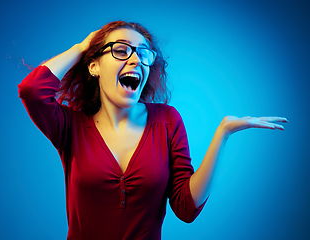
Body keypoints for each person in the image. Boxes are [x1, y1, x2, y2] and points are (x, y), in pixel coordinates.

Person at [18, 21, 288, 240]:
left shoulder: (167, 121)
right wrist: (83, 46)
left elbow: (186, 207)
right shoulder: (71, 127)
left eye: (143, 53)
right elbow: (32, 91)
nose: (135, 60)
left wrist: (223, 134)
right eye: (121, 50)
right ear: (94, 66)